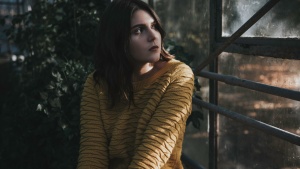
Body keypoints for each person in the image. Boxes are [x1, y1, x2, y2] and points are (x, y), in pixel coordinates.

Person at [77, 0, 194, 168]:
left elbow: (152, 155)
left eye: (154, 26)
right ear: (116, 39)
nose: (153, 36)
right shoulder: (97, 84)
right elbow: (92, 154)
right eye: (138, 30)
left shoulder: (178, 76)